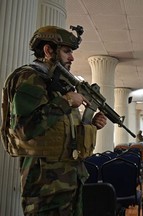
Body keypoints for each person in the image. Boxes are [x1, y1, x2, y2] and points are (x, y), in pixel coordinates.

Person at [1, 25, 107, 215]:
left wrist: (91, 125)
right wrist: (66, 101)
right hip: (45, 189)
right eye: (66, 51)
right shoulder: (29, 77)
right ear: (48, 50)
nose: (72, 57)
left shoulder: (57, 83)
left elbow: (60, 130)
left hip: (70, 181)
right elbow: (23, 129)